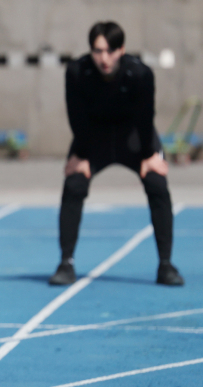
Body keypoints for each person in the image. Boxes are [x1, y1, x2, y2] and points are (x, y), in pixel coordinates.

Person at [49, 21, 184, 286]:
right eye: (98, 51)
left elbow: (146, 117)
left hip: (133, 137)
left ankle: (166, 265)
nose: (104, 58)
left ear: (121, 49)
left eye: (110, 51)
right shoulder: (77, 72)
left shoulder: (140, 74)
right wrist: (82, 154)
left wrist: (149, 155)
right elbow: (75, 116)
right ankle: (66, 263)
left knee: (157, 183)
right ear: (91, 51)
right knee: (74, 184)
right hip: (93, 137)